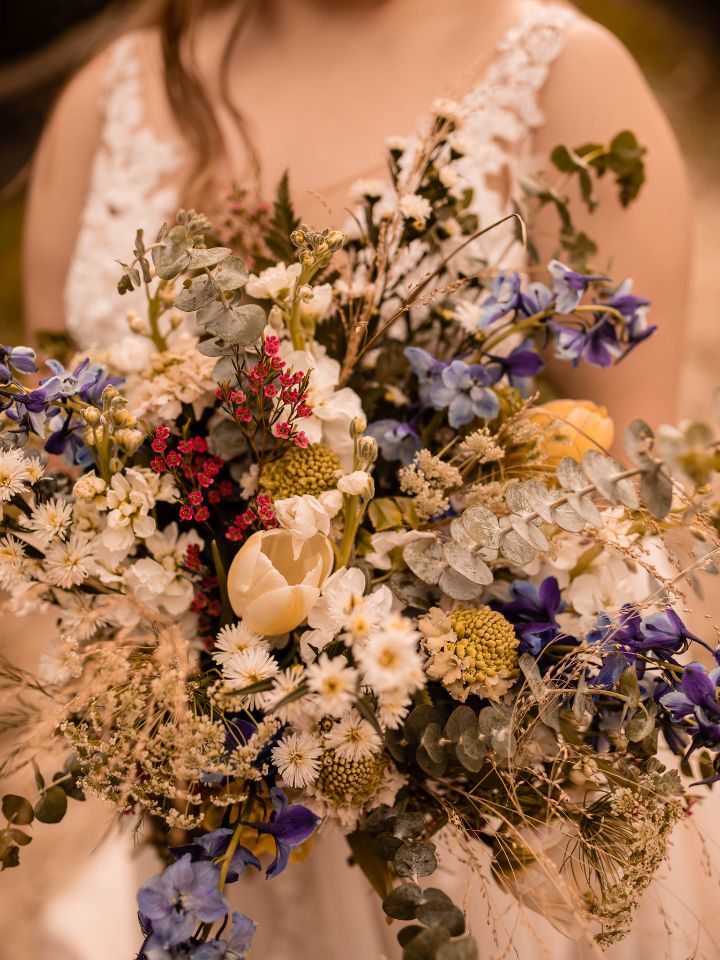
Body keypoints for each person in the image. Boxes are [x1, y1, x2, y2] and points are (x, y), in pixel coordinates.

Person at [18, 1, 717, 958]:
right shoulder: (111, 100)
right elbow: (67, 455)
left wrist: (402, 642)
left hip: (498, 820)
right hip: (224, 837)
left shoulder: (568, 77)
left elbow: (632, 497)